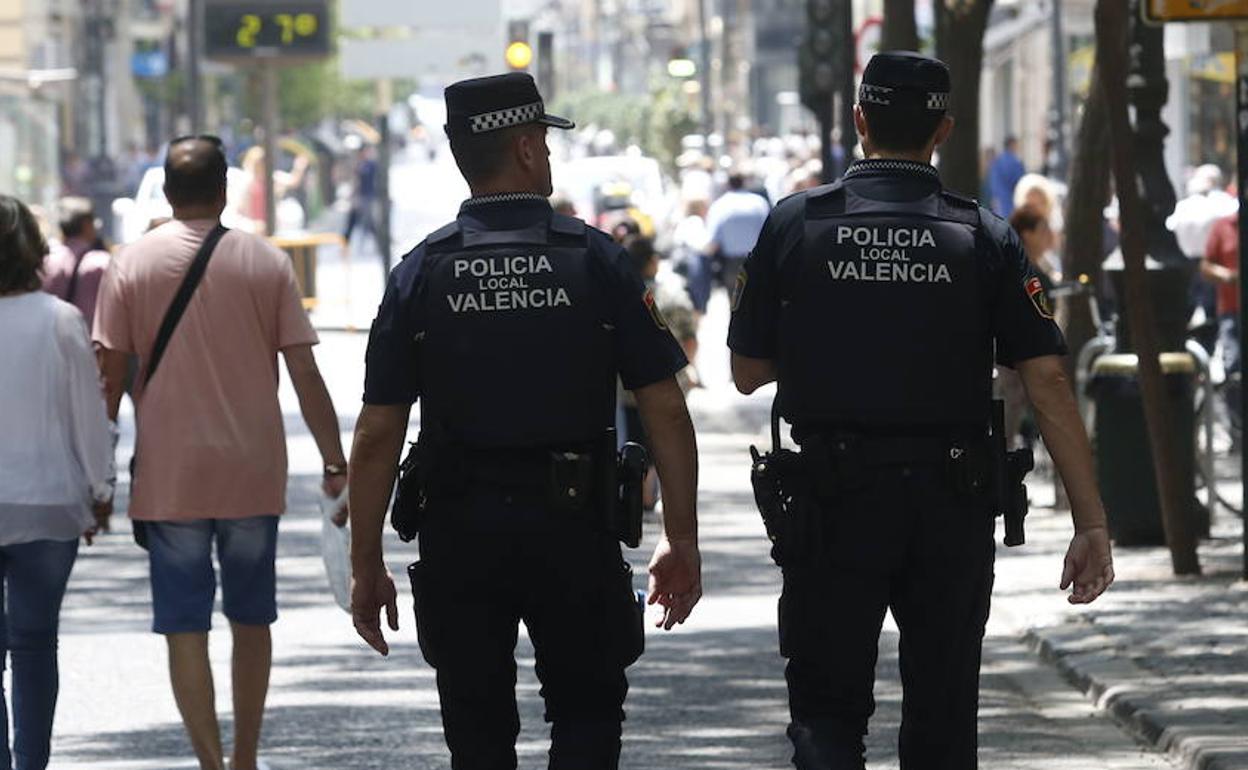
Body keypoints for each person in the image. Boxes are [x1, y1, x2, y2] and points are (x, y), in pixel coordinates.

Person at [727, 52, 1115, 770]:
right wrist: (1090, 521)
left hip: (831, 501)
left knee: (825, 710)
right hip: (951, 502)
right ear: (943, 129)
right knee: (942, 712)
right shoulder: (984, 234)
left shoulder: (797, 223)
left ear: (859, 120)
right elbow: (1050, 381)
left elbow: (747, 372)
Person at [347, 72, 702, 770]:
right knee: (587, 716)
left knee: (477, 732)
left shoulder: (421, 272)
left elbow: (378, 431)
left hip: (461, 530)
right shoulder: (597, 260)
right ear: (529, 147)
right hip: (576, 527)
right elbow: (662, 400)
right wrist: (681, 537)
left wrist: (366, 563)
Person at [93, 136, 349, 770]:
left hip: (170, 475)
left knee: (184, 623)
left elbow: (108, 378)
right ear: (225, 189)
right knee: (251, 617)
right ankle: (245, 757)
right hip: (250, 471)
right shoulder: (265, 263)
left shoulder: (130, 265)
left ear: (168, 191)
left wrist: (96, 470)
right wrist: (335, 460)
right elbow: (305, 371)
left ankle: (210, 763)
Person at [0, 195, 113, 770]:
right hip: (47, 506)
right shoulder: (59, 320)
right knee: (35, 643)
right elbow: (86, 416)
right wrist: (101, 489)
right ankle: (30, 763)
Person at [41, 197, 111, 331]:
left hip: (50, 340)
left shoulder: (45, 260)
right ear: (87, 225)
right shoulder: (101, 263)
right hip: (88, 343)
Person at [1202, 212, 1241, 447]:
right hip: (1232, 310)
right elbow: (1206, 265)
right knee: (1233, 368)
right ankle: (1237, 430)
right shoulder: (1223, 226)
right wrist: (1227, 276)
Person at [706, 172, 771, 292]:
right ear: (744, 183)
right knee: (758, 301)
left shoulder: (719, 206)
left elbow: (712, 242)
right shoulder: (759, 203)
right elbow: (770, 232)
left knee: (735, 304)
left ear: (727, 184)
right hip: (757, 261)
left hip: (732, 265)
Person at [988, 135, 1025, 217]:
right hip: (1011, 202)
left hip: (998, 203)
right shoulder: (1015, 162)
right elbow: (1020, 183)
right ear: (1012, 145)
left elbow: (992, 183)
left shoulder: (997, 161)